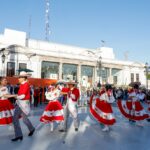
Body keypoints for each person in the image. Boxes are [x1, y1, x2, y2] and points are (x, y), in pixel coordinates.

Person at [11, 71, 35, 142]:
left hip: (22, 104)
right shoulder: (23, 84)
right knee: (24, 119)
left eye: (19, 77)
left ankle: (19, 135)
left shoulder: (25, 85)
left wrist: (15, 96)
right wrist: (16, 96)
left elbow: (22, 96)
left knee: (15, 119)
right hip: (22, 104)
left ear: (24, 78)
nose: (18, 79)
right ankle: (31, 129)